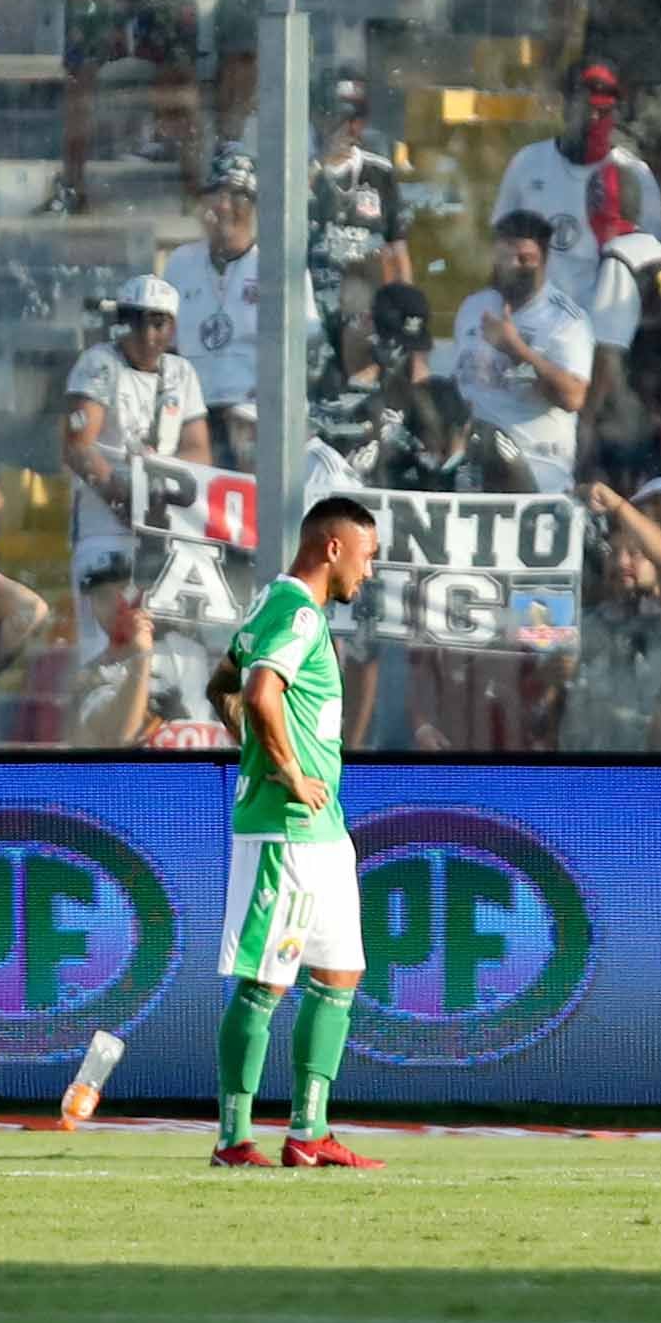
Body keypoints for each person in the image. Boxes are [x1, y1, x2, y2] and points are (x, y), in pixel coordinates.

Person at [210, 490, 380, 1171]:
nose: (367, 573)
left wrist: (255, 745)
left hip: (322, 830)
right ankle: (232, 1138)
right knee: (266, 982)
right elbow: (254, 692)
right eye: (366, 556)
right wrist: (281, 768)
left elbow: (221, 682)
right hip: (285, 829)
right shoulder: (297, 613)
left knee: (340, 970)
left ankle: (309, 1133)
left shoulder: (274, 608)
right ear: (332, 548)